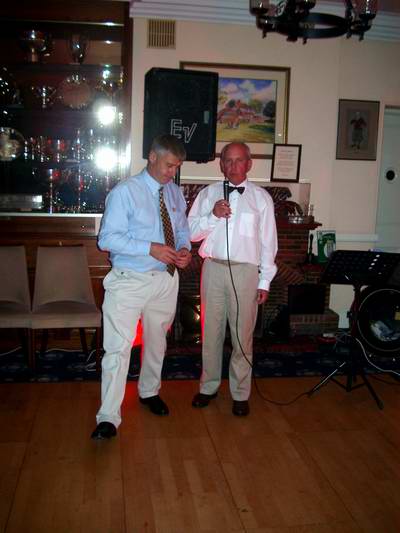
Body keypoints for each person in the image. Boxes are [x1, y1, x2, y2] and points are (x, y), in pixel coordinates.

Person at [91, 134, 192, 440]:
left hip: (166, 279)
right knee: (117, 349)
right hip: (129, 280)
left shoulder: (174, 193)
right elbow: (107, 239)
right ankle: (108, 417)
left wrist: (185, 250)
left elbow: (182, 231)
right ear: (152, 156)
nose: (172, 172)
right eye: (169, 165)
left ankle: (149, 392)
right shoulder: (125, 192)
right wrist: (150, 248)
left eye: (177, 167)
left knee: (157, 342)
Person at [188, 142, 278, 416]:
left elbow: (268, 243)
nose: (233, 165)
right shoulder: (207, 194)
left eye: (239, 160)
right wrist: (212, 216)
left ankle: (240, 393)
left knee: (242, 336)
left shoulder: (261, 198)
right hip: (212, 268)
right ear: (221, 164)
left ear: (249, 164)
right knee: (210, 333)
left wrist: (264, 281)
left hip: (245, 272)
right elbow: (191, 233)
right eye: (228, 160)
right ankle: (208, 387)